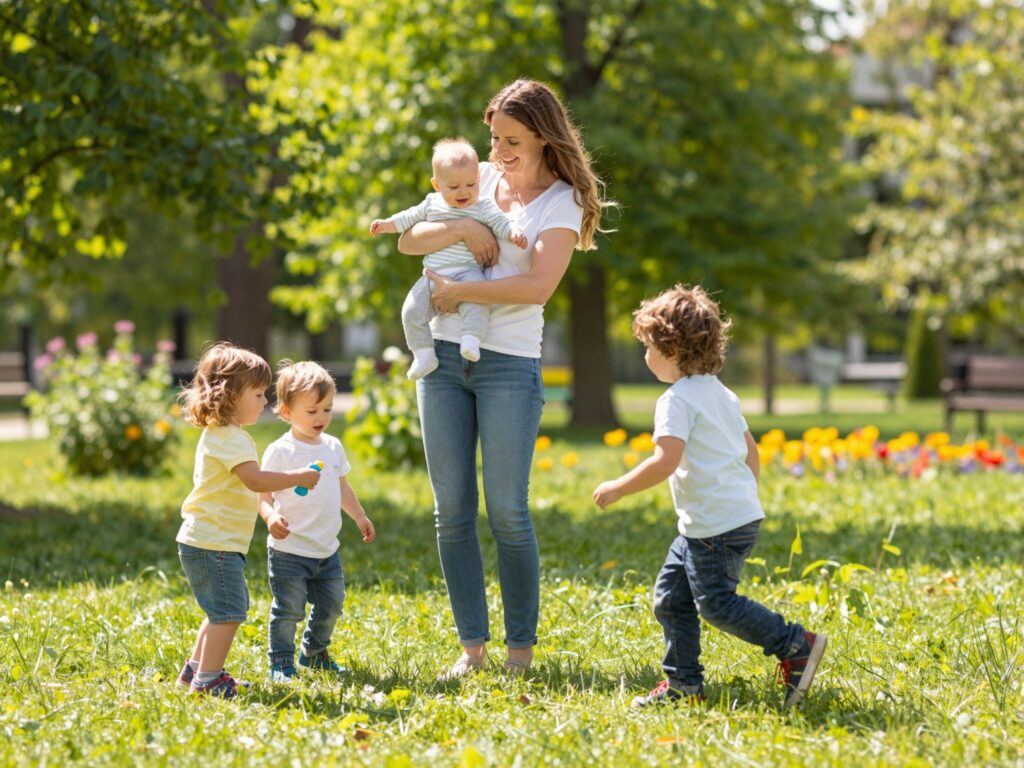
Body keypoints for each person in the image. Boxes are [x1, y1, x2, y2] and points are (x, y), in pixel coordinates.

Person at [396, 79, 614, 679]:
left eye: (512, 140)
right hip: (443, 362)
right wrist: (464, 230)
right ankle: (472, 649)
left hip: (509, 367)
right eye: (494, 138)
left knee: (508, 512)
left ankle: (520, 652)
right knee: (451, 510)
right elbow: (410, 239)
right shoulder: (478, 178)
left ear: (543, 137)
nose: (499, 151)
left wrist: (460, 292)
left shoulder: (562, 202)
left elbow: (538, 286)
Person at [593, 286, 827, 708]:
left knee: (717, 605)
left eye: (648, 347)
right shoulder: (721, 392)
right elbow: (751, 451)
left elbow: (665, 461)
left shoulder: (675, 400)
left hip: (713, 527)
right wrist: (742, 498)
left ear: (671, 349)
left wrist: (617, 487)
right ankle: (683, 684)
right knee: (671, 599)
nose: (645, 356)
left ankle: (795, 644)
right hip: (717, 521)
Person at [174, 342, 322, 699]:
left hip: (207, 541)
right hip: (214, 544)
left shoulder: (221, 435)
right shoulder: (232, 439)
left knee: (218, 611)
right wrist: (297, 477)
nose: (264, 401)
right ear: (229, 395)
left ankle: (195, 672)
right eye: (257, 394)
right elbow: (255, 480)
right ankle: (209, 681)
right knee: (229, 612)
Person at [370, 137, 527, 380]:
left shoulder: (482, 205)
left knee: (477, 304)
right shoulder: (431, 204)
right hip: (432, 275)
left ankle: (471, 339)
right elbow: (408, 218)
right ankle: (423, 354)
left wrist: (513, 232)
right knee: (411, 311)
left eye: (471, 184)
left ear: (478, 179)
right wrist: (386, 224)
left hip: (468, 271)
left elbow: (500, 222)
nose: (464, 192)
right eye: (454, 187)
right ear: (437, 185)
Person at [258, 360, 376, 683]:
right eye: (311, 411)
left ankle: (313, 652)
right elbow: (262, 495)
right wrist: (270, 516)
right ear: (286, 411)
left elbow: (342, 487)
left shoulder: (333, 447)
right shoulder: (280, 451)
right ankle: (281, 663)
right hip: (289, 550)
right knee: (288, 610)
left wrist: (359, 516)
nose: (321, 417)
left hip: (326, 549)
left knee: (332, 604)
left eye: (327, 409)